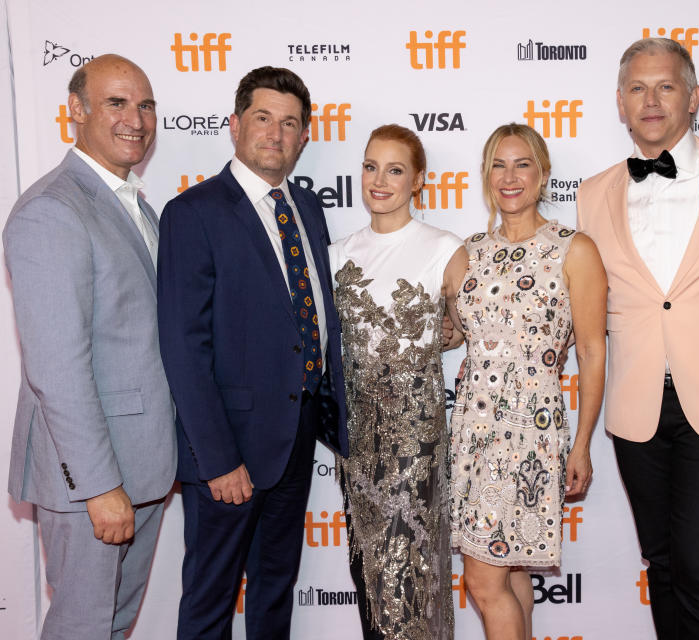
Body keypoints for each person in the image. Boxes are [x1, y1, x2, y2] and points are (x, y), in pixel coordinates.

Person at [576, 38, 699, 639]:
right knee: (662, 563)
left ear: (692, 98)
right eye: (637, 88)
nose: (651, 100)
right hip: (636, 404)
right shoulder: (593, 192)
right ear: (619, 103)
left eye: (665, 86)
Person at [157, 66, 348, 639]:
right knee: (211, 599)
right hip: (228, 454)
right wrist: (217, 460)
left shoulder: (308, 210)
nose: (276, 132)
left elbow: (315, 318)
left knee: (274, 592)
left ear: (304, 137)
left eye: (290, 123)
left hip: (294, 439)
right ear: (235, 125)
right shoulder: (194, 213)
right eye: (263, 118)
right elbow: (184, 348)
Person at [3, 54, 175, 639]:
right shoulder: (54, 210)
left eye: (146, 104)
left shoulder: (131, 201)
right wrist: (101, 487)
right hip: (92, 480)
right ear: (75, 110)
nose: (136, 119)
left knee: (114, 625)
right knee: (82, 626)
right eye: (116, 102)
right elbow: (57, 367)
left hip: (142, 464)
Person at [448, 123, 607, 640]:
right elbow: (450, 333)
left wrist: (581, 443)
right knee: (511, 573)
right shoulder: (466, 253)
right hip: (471, 429)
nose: (509, 177)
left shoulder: (573, 249)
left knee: (483, 578)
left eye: (522, 165)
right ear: (485, 175)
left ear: (542, 176)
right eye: (498, 164)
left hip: (530, 432)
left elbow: (590, 350)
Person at [330, 124, 465, 640]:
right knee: (367, 573)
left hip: (416, 443)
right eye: (370, 167)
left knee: (408, 571)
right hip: (357, 444)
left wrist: (446, 331)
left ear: (418, 180)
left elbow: (468, 327)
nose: (379, 181)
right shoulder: (337, 254)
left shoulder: (444, 248)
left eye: (394, 169)